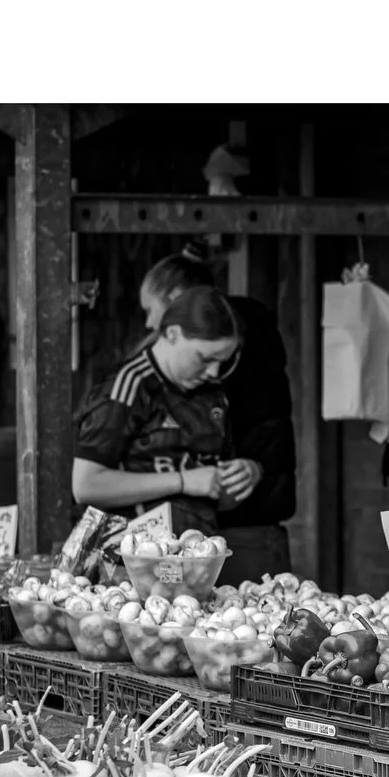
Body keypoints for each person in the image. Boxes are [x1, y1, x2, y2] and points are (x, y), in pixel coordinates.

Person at [137, 250, 297, 583]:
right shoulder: (143, 375)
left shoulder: (217, 360)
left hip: (222, 530)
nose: (150, 324)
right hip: (233, 527)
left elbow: (263, 427)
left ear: (179, 300)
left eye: (151, 310)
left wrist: (254, 468)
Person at [72, 286, 244, 537]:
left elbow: (216, 487)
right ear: (173, 334)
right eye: (205, 359)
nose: (213, 372)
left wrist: (245, 474)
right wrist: (183, 481)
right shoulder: (129, 385)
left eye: (223, 361)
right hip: (129, 560)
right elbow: (86, 485)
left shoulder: (213, 392)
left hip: (196, 554)